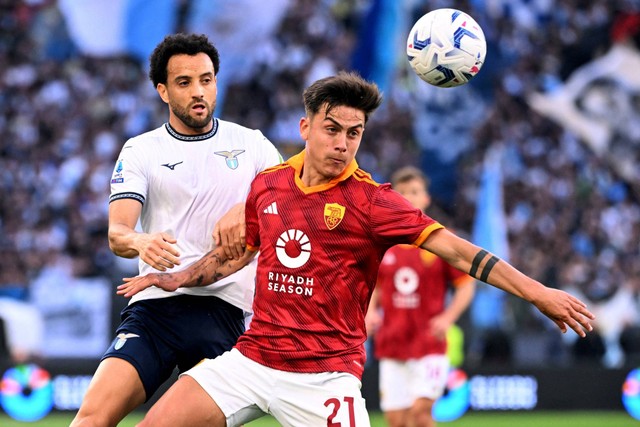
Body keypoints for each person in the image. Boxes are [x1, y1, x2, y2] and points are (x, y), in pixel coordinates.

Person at [116, 71, 594, 427]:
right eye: (332, 129)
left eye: (354, 132)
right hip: (252, 360)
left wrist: (538, 294)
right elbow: (236, 254)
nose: (343, 143)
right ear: (305, 128)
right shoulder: (269, 185)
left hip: (324, 378)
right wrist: (174, 278)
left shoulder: (375, 202)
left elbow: (461, 254)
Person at [70, 33, 281, 427]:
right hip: (154, 310)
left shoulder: (253, 146)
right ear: (163, 91)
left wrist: (247, 207)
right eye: (184, 83)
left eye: (206, 79)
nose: (198, 91)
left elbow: (286, 209)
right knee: (90, 420)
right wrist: (141, 240)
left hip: (227, 313)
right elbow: (118, 233)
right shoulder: (141, 150)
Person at [365, 166, 475, 427]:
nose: (409, 198)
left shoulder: (441, 241)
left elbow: (466, 285)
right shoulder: (383, 243)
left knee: (421, 414)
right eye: (402, 193)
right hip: (392, 343)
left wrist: (448, 318)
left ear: (426, 199)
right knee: (397, 420)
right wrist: (370, 312)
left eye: (415, 192)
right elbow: (376, 286)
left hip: (428, 344)